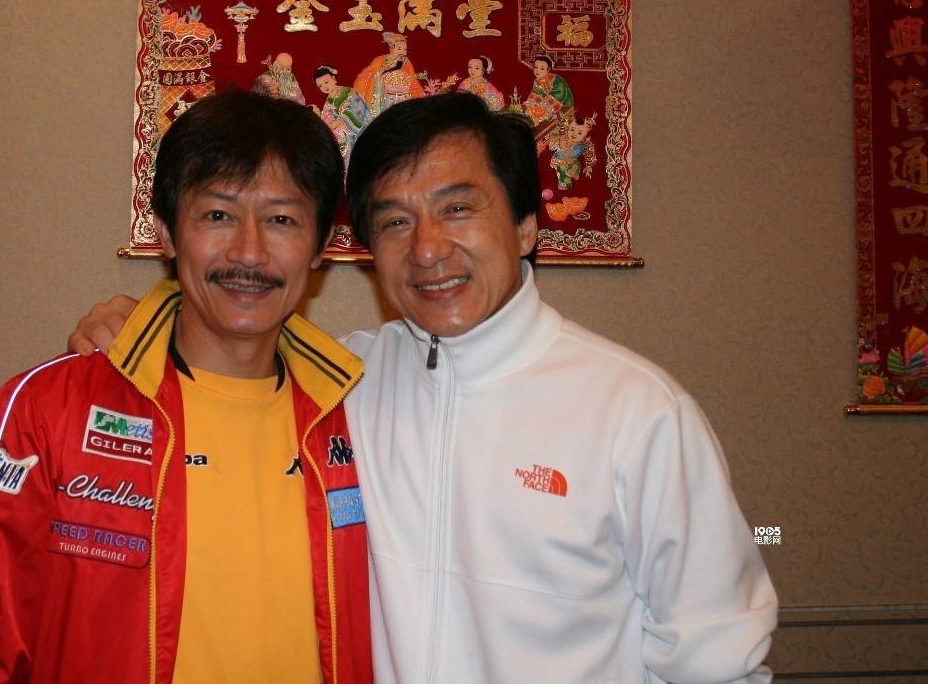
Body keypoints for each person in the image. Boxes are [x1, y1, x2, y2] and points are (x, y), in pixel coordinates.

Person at [70, 93, 778, 683]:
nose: (428, 248)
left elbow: (716, 658)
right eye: (395, 222)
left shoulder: (639, 412)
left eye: (458, 209)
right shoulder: (347, 382)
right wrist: (140, 322)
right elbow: (234, 338)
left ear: (527, 225)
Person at [0, 91, 373, 684]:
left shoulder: (362, 418)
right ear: (165, 232)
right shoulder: (47, 407)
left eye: (281, 220)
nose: (249, 251)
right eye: (217, 215)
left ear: (321, 246)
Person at [352, 32, 425, 116]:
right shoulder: (379, 60)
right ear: (391, 48)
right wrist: (379, 78)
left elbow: (413, 82)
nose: (403, 53)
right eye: (399, 49)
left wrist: (419, 97)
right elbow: (365, 76)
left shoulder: (407, 62)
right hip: (385, 99)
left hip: (404, 99)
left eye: (405, 50)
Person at [312, 65, 372, 166]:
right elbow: (327, 120)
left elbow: (360, 109)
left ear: (334, 79)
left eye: (326, 82)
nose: (325, 87)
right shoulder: (328, 103)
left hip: (356, 132)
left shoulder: (349, 92)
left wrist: (341, 121)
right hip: (341, 137)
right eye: (320, 86)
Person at [523, 54, 574, 127]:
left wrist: (543, 104)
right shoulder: (537, 81)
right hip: (546, 107)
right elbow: (536, 93)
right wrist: (531, 102)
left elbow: (559, 95)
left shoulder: (556, 79)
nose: (537, 70)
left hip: (563, 107)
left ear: (548, 69)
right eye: (536, 67)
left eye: (542, 68)